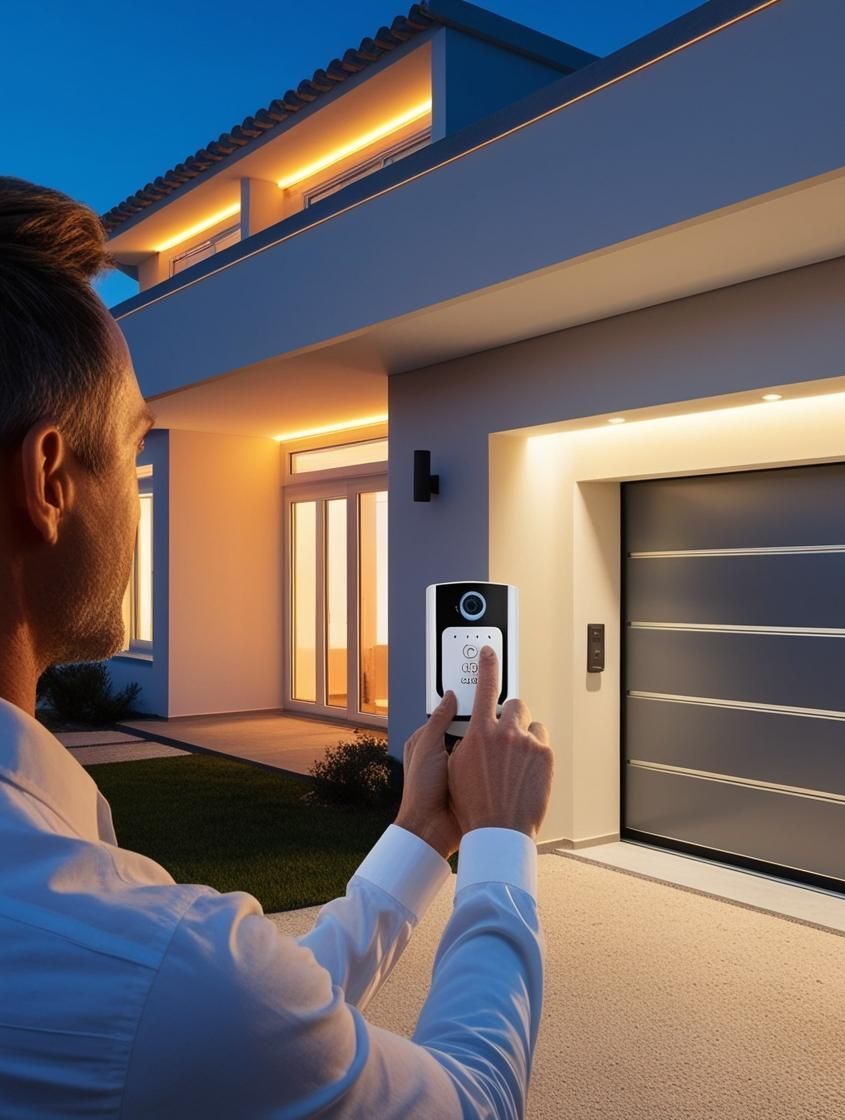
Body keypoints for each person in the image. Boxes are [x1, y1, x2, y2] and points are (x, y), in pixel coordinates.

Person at [0, 176, 555, 1118]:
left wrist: (421, 834)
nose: (141, 505)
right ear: (50, 479)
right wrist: (500, 845)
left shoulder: (144, 979)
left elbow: (242, 1031)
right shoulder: (150, 966)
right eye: (135, 455)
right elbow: (467, 1104)